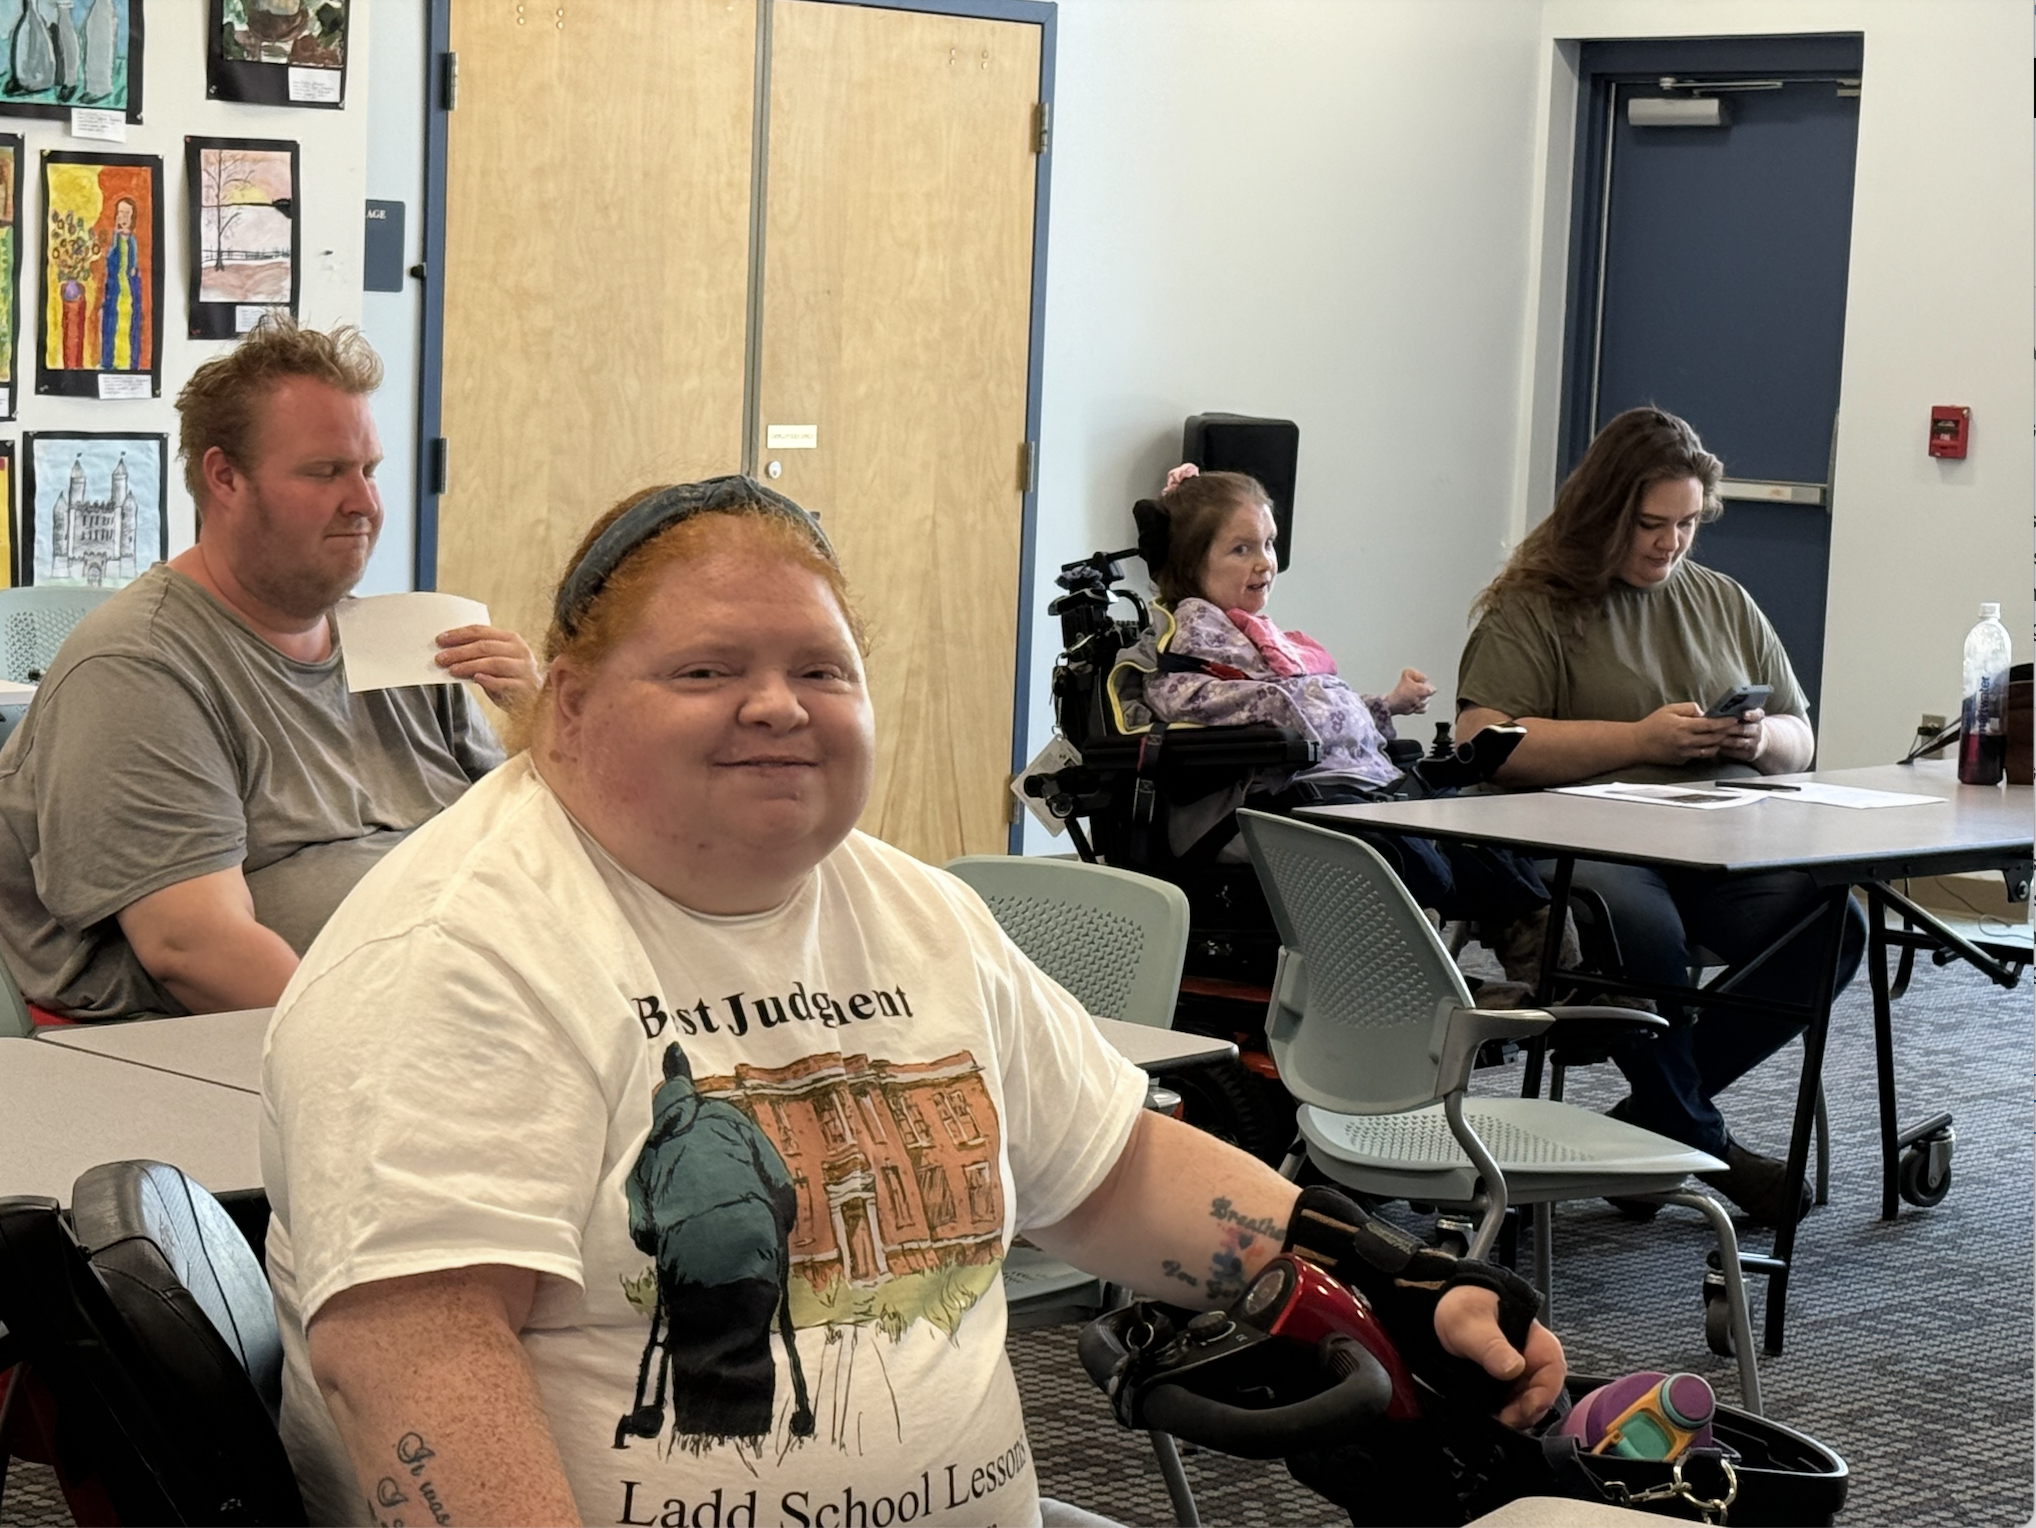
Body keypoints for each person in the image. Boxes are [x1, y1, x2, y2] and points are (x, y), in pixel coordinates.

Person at [261, 475, 1565, 1527]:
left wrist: (1385, 1276)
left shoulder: (912, 912)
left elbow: (1105, 1172)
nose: (776, 707)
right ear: (569, 704)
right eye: (706, 671)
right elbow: (411, 1361)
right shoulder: (459, 951)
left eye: (822, 671)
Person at [0, 317, 538, 1020]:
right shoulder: (139, 668)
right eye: (325, 472)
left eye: (369, 470)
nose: (365, 503)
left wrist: (549, 724)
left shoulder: (410, 644)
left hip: (474, 1004)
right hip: (236, 1045)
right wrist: (400, 1049)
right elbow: (198, 951)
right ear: (224, 477)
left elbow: (535, 855)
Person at [1455, 406, 1865, 1225]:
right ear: (1604, 513)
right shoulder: (1536, 604)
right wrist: (1639, 740)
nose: (1670, 544)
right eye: (1650, 525)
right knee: (1640, 931)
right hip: (1583, 839)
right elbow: (1483, 741)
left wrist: (1758, 738)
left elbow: (1802, 737)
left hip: (1711, 836)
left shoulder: (1721, 599)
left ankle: (1650, 1125)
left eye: (1687, 524)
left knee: (1835, 925)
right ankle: (1706, 1143)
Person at [1137, 463, 1565, 986]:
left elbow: (1312, 706)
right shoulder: (1190, 645)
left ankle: (1552, 977)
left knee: (1476, 837)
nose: (1265, 562)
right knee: (1400, 849)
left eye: (1268, 544)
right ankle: (1436, 989)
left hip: (1332, 789)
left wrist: (1384, 705)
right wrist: (1289, 708)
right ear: (1190, 562)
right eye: (1241, 549)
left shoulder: (1259, 638)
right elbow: (1189, 698)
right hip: (1263, 807)